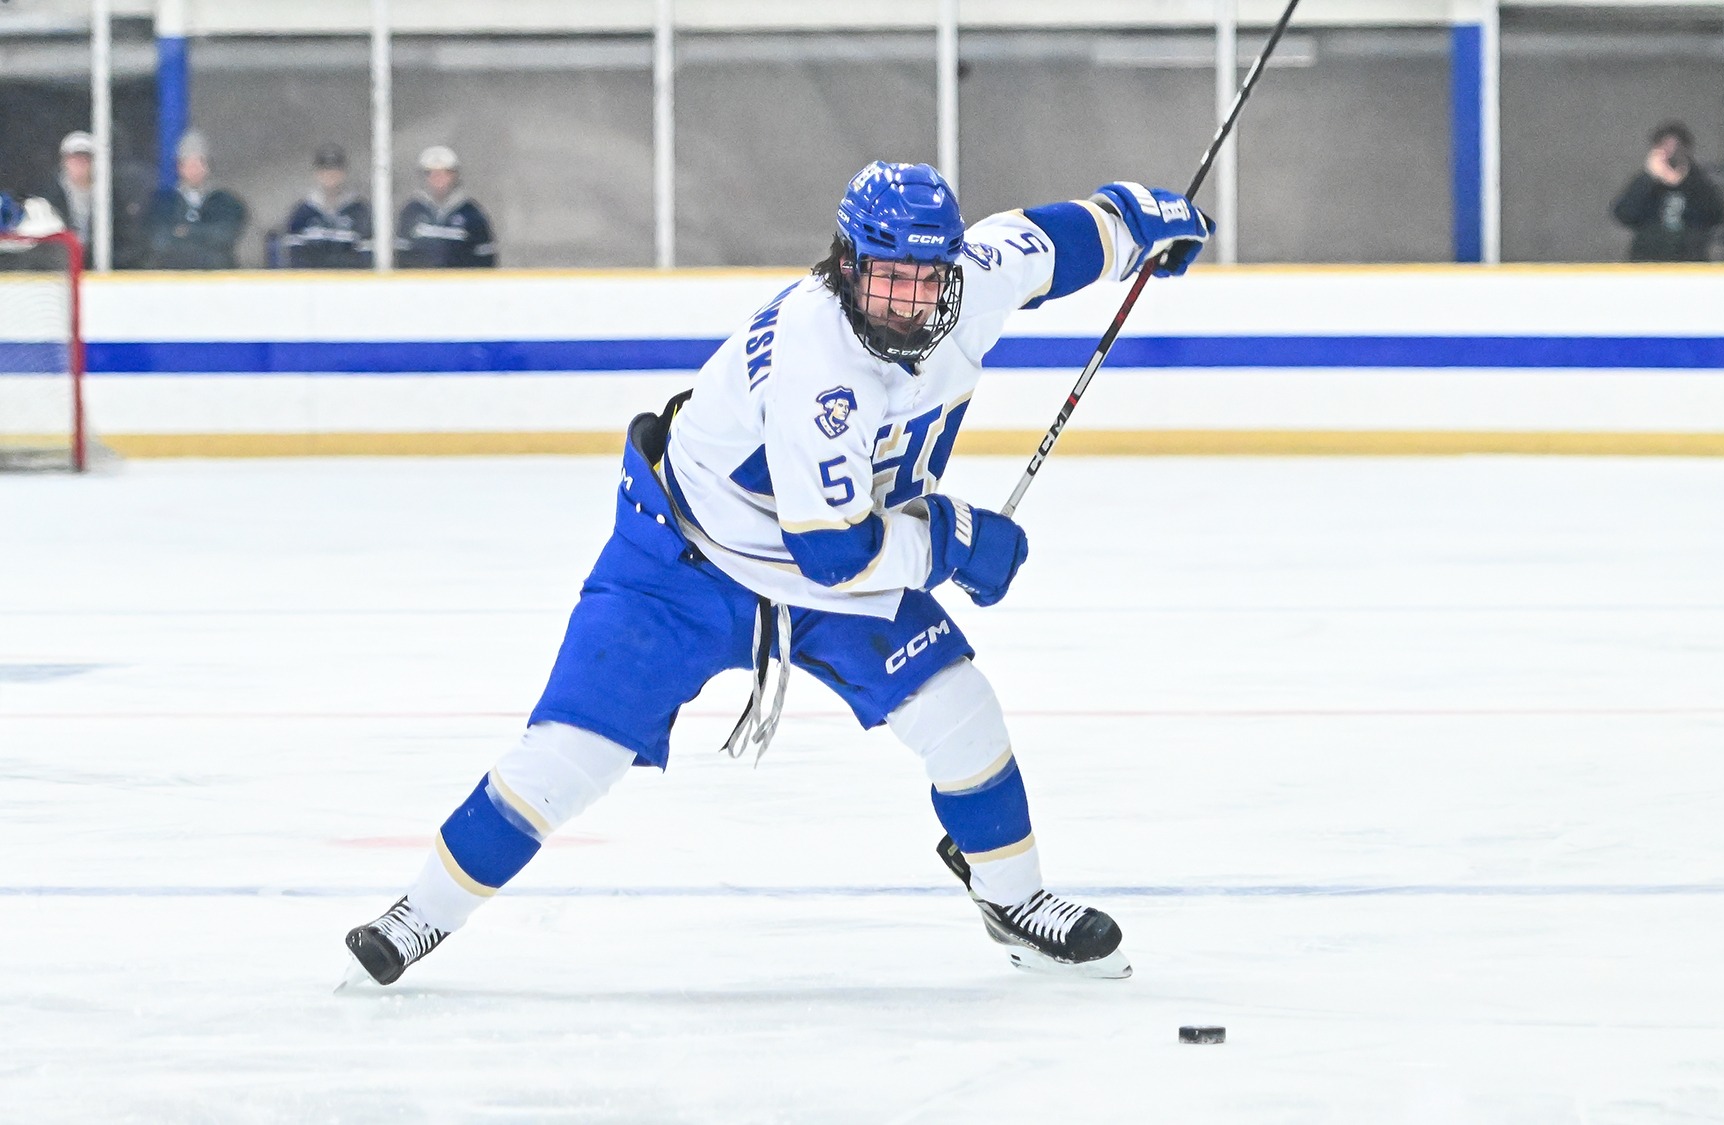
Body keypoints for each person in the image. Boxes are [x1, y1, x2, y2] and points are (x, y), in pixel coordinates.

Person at [342, 161, 1211, 986]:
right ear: (845, 263)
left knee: (962, 711)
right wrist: (952, 538)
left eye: (927, 277)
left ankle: (1014, 898)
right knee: (570, 757)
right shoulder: (817, 368)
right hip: (681, 562)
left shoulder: (971, 275)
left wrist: (1138, 218)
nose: (909, 302)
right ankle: (419, 914)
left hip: (829, 556)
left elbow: (1052, 241)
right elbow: (834, 554)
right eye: (887, 278)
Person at [1611, 121, 1724, 262]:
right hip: (1648, 264)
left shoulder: (1699, 183)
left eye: (1676, 147)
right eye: (1664, 147)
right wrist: (1650, 178)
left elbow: (1716, 214)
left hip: (1690, 263)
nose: (1670, 153)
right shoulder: (1644, 184)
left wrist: (1687, 176)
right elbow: (1624, 214)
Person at [144, 130, 248, 270]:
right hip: (172, 280)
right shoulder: (163, 202)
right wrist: (203, 234)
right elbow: (158, 241)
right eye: (188, 163)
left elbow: (224, 236)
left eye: (199, 162)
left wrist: (186, 231)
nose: (194, 169)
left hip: (216, 280)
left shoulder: (225, 202)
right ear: (179, 167)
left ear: (207, 166)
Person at [394, 145, 496, 268]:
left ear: (455, 176)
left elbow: (485, 259)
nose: (438, 179)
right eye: (432, 174)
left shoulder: (471, 213)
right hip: (420, 285)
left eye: (445, 173)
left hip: (462, 285)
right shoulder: (411, 211)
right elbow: (401, 256)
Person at [280, 144, 372, 269]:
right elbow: (295, 258)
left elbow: (366, 258)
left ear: (344, 172)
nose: (330, 175)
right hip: (311, 284)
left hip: (349, 284)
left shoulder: (359, 211)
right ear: (316, 173)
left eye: (335, 169)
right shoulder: (302, 213)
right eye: (325, 169)